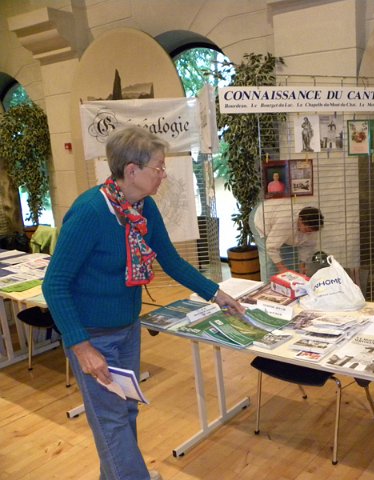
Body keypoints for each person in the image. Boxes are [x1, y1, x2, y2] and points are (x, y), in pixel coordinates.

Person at [42, 126, 244, 480]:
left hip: (127, 328)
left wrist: (216, 293)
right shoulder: (90, 211)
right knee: (111, 421)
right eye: (158, 167)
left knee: (125, 411)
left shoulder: (142, 207)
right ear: (132, 170)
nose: (163, 174)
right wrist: (81, 346)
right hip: (92, 334)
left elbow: (171, 260)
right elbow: (54, 284)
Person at [249, 202, 324, 282]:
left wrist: (302, 265)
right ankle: (267, 286)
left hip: (279, 218)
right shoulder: (286, 222)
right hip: (261, 216)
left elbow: (306, 247)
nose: (308, 233)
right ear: (300, 220)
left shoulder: (313, 225)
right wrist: (281, 268)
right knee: (270, 262)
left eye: (310, 231)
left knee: (291, 260)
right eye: (306, 229)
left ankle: (289, 285)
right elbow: (271, 247)